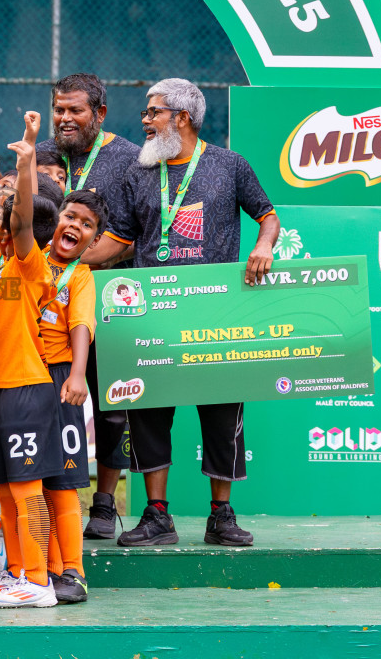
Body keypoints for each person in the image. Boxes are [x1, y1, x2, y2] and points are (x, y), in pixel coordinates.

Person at [113, 78, 278, 549]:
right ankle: (157, 516)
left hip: (216, 314)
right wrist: (69, 257)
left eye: (154, 112)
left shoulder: (229, 165)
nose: (144, 120)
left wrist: (264, 246)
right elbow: (120, 241)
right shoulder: (138, 171)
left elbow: (267, 215)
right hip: (152, 315)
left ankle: (221, 516)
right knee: (147, 410)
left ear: (181, 118)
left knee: (223, 413)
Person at [35, 73, 139, 540]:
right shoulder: (41, 156)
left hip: (109, 301)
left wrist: (69, 261)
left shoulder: (128, 158)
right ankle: (46, 500)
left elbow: (129, 233)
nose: (64, 118)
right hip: (43, 304)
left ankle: (103, 505)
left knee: (111, 405)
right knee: (46, 403)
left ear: (99, 113)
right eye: (59, 109)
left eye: (75, 110)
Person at [0, 112, 62, 608]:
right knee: (7, 486)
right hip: (2, 390)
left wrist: (27, 156)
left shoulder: (30, 263)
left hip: (27, 388)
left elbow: (23, 216)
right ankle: (18, 572)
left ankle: (40, 581)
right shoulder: (1, 263)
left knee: (27, 488)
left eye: (10, 207)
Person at [39, 188, 108, 602]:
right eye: (71, 217)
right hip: (19, 378)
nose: (76, 227)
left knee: (63, 481)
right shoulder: (28, 257)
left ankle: (73, 571)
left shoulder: (80, 276)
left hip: (62, 378)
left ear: (94, 241)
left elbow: (81, 324)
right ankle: (43, 569)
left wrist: (78, 373)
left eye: (87, 225)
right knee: (33, 480)